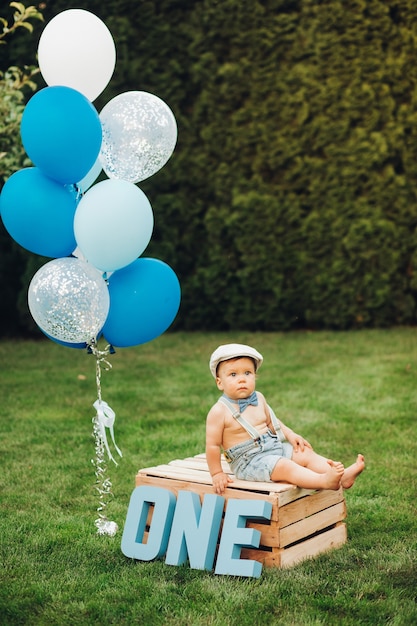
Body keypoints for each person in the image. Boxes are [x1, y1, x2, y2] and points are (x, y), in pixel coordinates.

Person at [206, 343, 365, 495]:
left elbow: (272, 422)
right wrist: (217, 473)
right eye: (233, 374)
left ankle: (343, 478)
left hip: (273, 448)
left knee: (305, 453)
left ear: (255, 376)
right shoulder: (219, 411)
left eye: (247, 373)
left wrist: (290, 435)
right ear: (220, 383)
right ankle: (324, 481)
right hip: (249, 462)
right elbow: (213, 445)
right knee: (286, 466)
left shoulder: (259, 398)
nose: (242, 379)